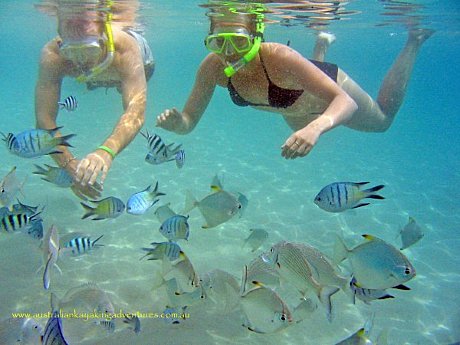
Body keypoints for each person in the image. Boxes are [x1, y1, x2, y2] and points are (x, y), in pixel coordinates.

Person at [156, 6, 433, 160]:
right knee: (303, 96)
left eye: (238, 41)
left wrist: (316, 128)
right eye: (219, 42)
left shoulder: (279, 56)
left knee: (383, 121)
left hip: (327, 93)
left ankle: (414, 41)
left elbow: (344, 102)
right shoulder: (212, 68)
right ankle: (320, 45)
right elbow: (189, 122)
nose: (229, 52)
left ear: (256, 36)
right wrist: (177, 122)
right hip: (295, 108)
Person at [35, 0, 154, 199]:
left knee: (135, 83)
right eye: (71, 52)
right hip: (102, 74)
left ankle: (117, 81)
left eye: (89, 50)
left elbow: (136, 113)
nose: (81, 61)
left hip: (140, 63)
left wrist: (105, 151)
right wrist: (70, 166)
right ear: (60, 40)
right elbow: (44, 119)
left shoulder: (124, 48)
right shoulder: (53, 55)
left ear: (104, 36)